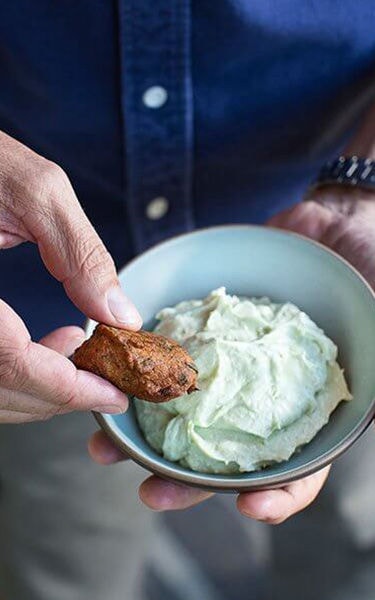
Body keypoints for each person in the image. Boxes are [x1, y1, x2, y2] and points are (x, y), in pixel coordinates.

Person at [0, 2, 375, 598]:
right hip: (33, 326)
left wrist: (362, 192)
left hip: (325, 233)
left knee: (357, 543)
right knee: (65, 563)